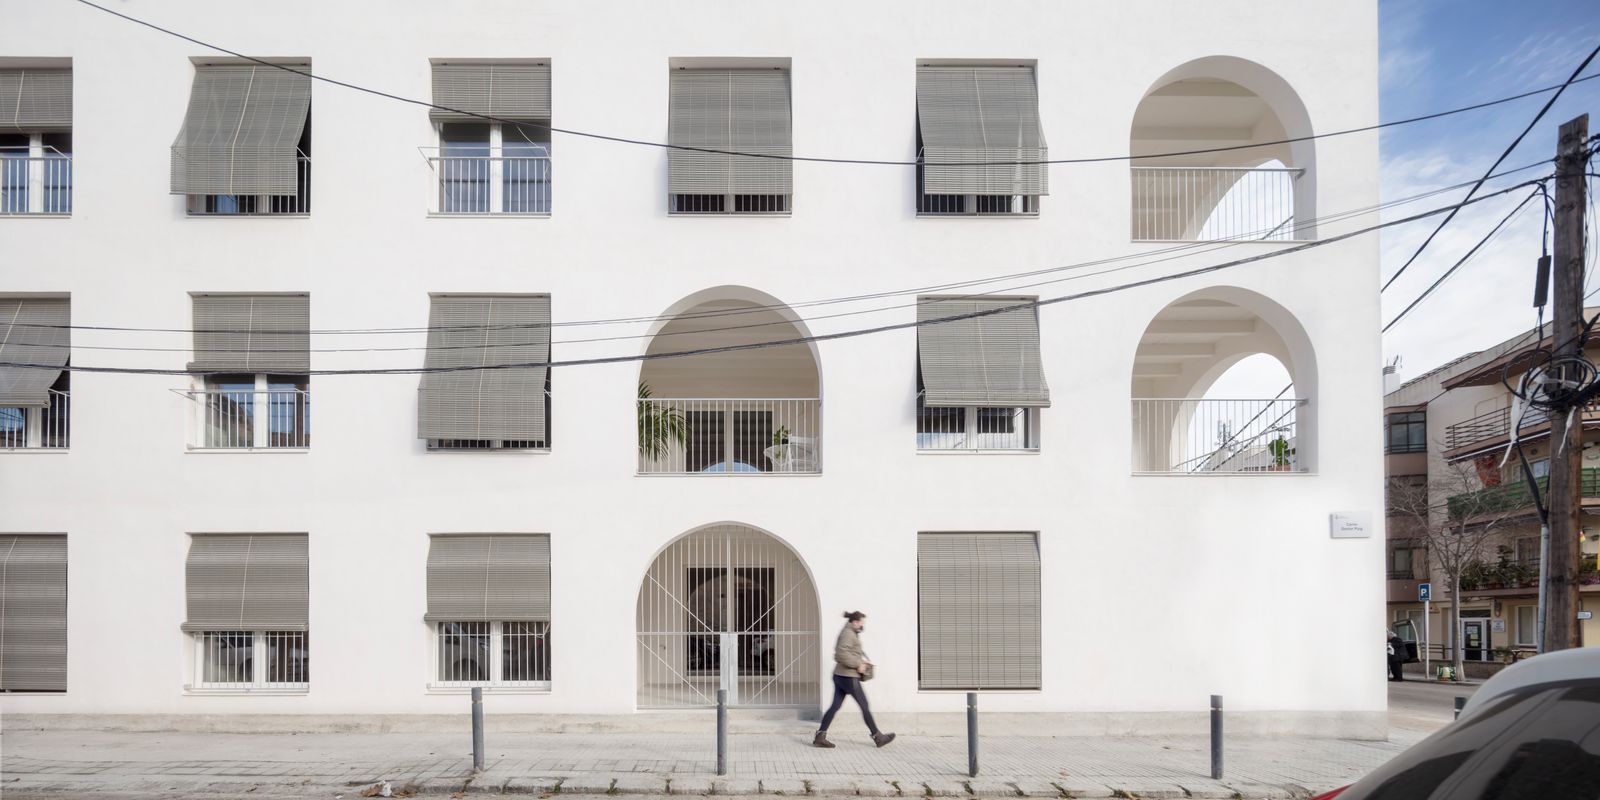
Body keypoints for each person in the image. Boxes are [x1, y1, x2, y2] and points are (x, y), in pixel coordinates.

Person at [813, 611, 896, 748]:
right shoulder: (848, 633)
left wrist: (862, 662)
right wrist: (858, 664)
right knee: (864, 705)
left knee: (835, 706)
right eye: (861, 623)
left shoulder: (850, 632)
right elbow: (840, 654)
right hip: (848, 677)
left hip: (841, 675)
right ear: (855, 622)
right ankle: (878, 737)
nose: (862, 625)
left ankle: (820, 736)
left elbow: (848, 653)